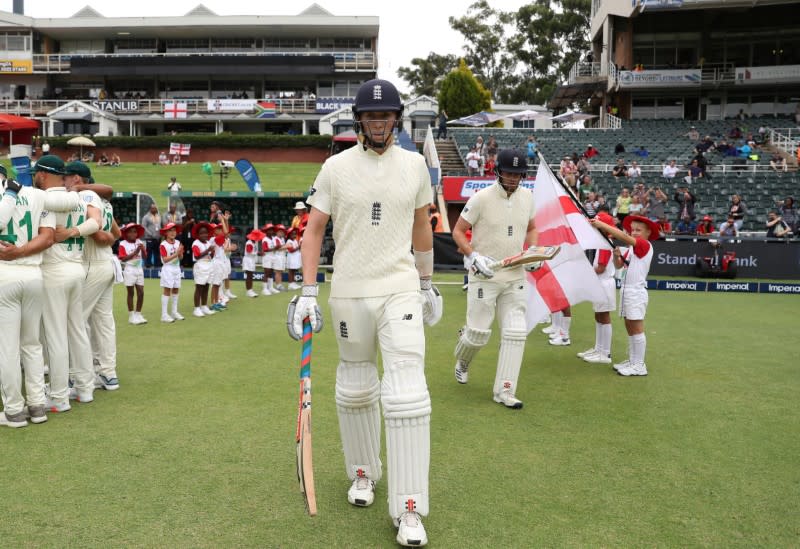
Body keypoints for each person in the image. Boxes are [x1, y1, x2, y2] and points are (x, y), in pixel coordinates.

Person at [288, 78, 441, 547]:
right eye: (372, 116)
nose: (379, 122)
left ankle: (410, 507)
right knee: (356, 387)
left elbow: (421, 225)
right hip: (349, 291)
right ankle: (362, 474)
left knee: (407, 391)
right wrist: (308, 291)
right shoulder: (334, 168)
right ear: (360, 120)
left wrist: (427, 283)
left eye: (387, 115)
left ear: (396, 119)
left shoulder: (415, 165)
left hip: (399, 289)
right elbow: (313, 231)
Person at [0, 157, 86, 426]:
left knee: (8, 348)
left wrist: (14, 254)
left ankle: (14, 410)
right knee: (32, 345)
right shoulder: (38, 196)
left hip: (6, 273)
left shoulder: (19, 195)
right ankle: (37, 405)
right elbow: (67, 208)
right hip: (35, 274)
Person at [451, 148, 537, 406]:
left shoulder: (528, 197)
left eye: (517, 174)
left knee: (515, 332)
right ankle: (463, 360)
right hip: (485, 274)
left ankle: (505, 391)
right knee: (477, 334)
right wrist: (472, 255)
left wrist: (533, 252)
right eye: (508, 173)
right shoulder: (481, 198)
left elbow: (532, 228)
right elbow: (458, 231)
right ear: (498, 171)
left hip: (515, 276)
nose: (512, 178)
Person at [68, 162, 121, 394]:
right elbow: (116, 234)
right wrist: (106, 239)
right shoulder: (104, 202)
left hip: (92, 264)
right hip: (107, 263)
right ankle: (108, 373)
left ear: (77, 178)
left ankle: (75, 377)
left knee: (75, 321)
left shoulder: (87, 198)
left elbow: (100, 235)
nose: (63, 182)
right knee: (103, 321)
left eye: (66, 177)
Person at [590, 214, 659, 377]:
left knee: (636, 327)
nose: (634, 233)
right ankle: (633, 360)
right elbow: (619, 265)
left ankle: (639, 365)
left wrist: (602, 225)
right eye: (632, 230)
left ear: (648, 232)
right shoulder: (632, 249)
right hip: (627, 291)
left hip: (636, 292)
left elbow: (623, 237)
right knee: (629, 325)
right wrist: (616, 255)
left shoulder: (644, 245)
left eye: (638, 230)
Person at [578, 211, 617, 365]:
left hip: (604, 283)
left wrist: (584, 273)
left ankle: (605, 353)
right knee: (599, 315)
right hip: (600, 282)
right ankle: (598, 348)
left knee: (604, 316)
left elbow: (600, 268)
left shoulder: (605, 243)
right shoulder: (602, 241)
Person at [118, 223, 147, 325]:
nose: (133, 233)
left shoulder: (139, 241)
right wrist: (135, 252)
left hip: (139, 269)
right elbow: (122, 258)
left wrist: (143, 250)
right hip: (129, 269)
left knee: (141, 292)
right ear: (126, 233)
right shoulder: (123, 244)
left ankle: (138, 314)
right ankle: (131, 316)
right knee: (131, 293)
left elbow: (145, 256)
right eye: (130, 231)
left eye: (134, 231)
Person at [159, 222, 185, 321]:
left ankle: (174, 312)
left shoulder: (178, 243)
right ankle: (164, 315)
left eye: (174, 230)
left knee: (176, 289)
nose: (172, 232)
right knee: (167, 291)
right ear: (166, 232)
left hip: (176, 268)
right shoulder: (163, 244)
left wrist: (180, 252)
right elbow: (165, 260)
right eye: (170, 230)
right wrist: (177, 253)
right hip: (168, 269)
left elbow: (181, 257)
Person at [191, 221, 216, 317]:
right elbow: (197, 256)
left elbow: (210, 256)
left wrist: (212, 252)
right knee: (199, 288)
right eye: (201, 233)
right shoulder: (195, 243)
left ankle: (204, 306)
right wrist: (208, 250)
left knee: (206, 287)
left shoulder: (208, 242)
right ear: (197, 234)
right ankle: (196, 308)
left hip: (209, 265)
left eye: (205, 233)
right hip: (200, 266)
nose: (204, 235)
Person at [243, 228, 264, 297]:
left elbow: (253, 252)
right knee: (249, 276)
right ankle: (248, 291)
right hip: (248, 260)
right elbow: (249, 251)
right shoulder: (249, 242)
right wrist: (258, 253)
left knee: (250, 276)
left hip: (251, 260)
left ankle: (250, 290)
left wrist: (258, 253)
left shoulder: (253, 242)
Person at [141, 203, 163, 267]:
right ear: (150, 209)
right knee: (149, 252)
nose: (154, 209)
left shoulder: (158, 216)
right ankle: (148, 264)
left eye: (155, 208)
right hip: (149, 237)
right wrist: (151, 234)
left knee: (157, 251)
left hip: (157, 237)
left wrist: (160, 234)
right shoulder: (146, 217)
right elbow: (144, 227)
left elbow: (160, 226)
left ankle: (157, 264)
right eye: (153, 208)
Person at [260, 223, 278, 295]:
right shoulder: (265, 239)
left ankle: (271, 288)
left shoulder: (274, 238)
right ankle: (264, 289)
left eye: (271, 230)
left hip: (273, 256)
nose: (271, 231)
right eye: (269, 230)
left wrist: (277, 247)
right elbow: (265, 249)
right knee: (266, 273)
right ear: (266, 231)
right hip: (267, 257)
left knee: (271, 273)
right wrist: (274, 248)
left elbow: (276, 246)